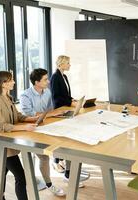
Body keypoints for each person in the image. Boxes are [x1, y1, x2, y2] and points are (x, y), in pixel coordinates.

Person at [0, 71, 38, 200]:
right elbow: (0, 125)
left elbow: (17, 116)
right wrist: (24, 127)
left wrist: (31, 119)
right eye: (11, 80)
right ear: (3, 83)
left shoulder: (8, 97)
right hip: (4, 143)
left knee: (3, 171)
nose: (14, 82)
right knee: (21, 177)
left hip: (12, 140)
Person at [20, 68, 65, 196]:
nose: (48, 81)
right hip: (30, 130)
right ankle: (49, 184)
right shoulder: (25, 95)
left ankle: (62, 168)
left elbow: (49, 111)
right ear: (36, 82)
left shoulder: (47, 92)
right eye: (45, 79)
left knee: (64, 142)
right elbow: (29, 114)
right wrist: (51, 113)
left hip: (44, 127)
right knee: (44, 157)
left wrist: (54, 114)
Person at [50, 56, 90, 186]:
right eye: (68, 63)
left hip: (66, 107)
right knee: (64, 138)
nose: (70, 65)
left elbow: (66, 95)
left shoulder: (64, 77)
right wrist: (71, 103)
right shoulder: (55, 77)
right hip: (60, 110)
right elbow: (56, 97)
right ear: (61, 64)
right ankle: (58, 162)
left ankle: (62, 163)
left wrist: (73, 100)